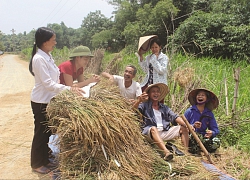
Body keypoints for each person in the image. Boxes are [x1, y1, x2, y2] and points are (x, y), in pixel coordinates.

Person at [28, 27, 84, 174]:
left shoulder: (47, 56)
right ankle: (36, 163)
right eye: (53, 40)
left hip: (50, 100)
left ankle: (45, 159)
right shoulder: (39, 59)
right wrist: (69, 89)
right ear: (45, 42)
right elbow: (48, 84)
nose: (55, 42)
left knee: (48, 132)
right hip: (41, 101)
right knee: (41, 133)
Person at [133, 83, 189, 161]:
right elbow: (133, 111)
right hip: (150, 133)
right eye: (153, 91)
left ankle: (186, 153)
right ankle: (166, 152)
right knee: (153, 128)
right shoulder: (144, 105)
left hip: (164, 132)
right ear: (149, 94)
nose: (156, 93)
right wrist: (139, 101)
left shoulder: (164, 107)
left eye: (157, 91)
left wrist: (187, 125)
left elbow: (175, 116)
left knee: (183, 128)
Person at [184, 88, 220, 154]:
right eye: (198, 95)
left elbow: (215, 129)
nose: (200, 96)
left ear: (207, 99)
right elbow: (182, 126)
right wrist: (193, 126)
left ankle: (203, 148)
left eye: (203, 95)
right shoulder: (189, 111)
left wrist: (211, 133)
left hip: (203, 136)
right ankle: (195, 149)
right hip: (191, 136)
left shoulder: (209, 113)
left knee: (216, 141)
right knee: (195, 138)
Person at [137, 37, 168, 103]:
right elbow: (146, 70)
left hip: (159, 83)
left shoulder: (164, 57)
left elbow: (162, 70)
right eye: (152, 47)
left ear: (160, 47)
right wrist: (141, 59)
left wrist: (154, 59)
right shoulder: (148, 57)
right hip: (148, 82)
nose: (154, 49)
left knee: (157, 101)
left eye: (156, 47)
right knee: (142, 95)